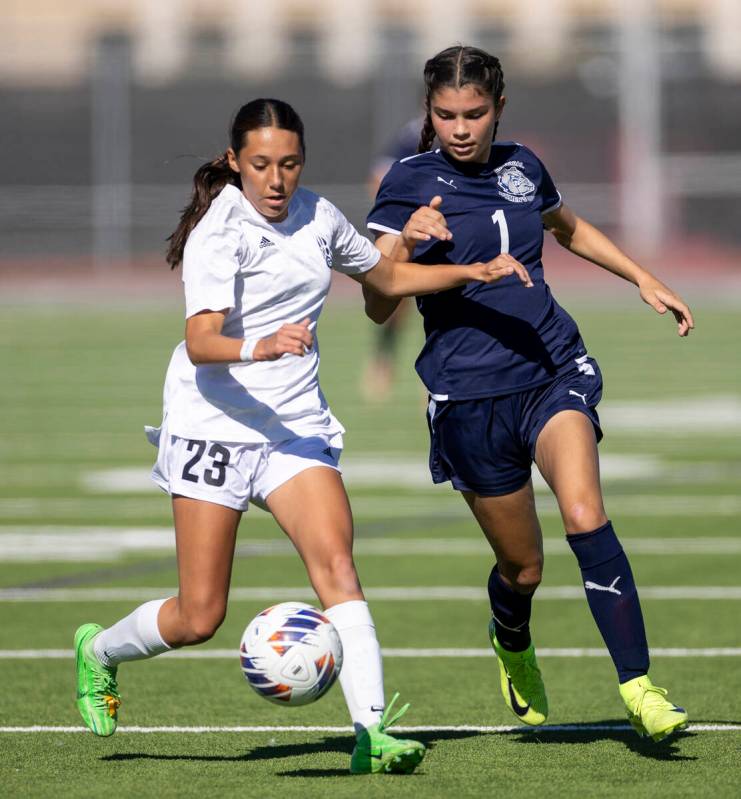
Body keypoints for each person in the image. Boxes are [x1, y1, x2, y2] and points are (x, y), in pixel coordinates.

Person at [73, 97, 530, 774]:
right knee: (200, 615)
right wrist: (261, 346)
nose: (276, 179)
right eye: (260, 164)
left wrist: (467, 269)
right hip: (213, 426)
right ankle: (99, 651)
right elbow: (200, 341)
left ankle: (372, 732)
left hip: (293, 430)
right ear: (235, 163)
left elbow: (384, 277)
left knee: (337, 566)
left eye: (288, 163)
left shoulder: (318, 215)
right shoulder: (217, 232)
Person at [365, 46, 694, 743]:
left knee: (584, 514)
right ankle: (509, 634)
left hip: (550, 368)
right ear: (429, 113)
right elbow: (376, 303)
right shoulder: (405, 183)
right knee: (523, 566)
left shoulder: (521, 166)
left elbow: (565, 225)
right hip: (467, 399)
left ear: (498, 108)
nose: (460, 127)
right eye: (445, 114)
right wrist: (401, 249)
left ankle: (638, 685)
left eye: (474, 113)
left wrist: (641, 276)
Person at [360, 117, 424, 401]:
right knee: (395, 302)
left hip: (452, 229)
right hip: (415, 229)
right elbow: (377, 177)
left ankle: (442, 372)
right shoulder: (413, 134)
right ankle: (383, 361)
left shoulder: (470, 132)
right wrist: (394, 216)